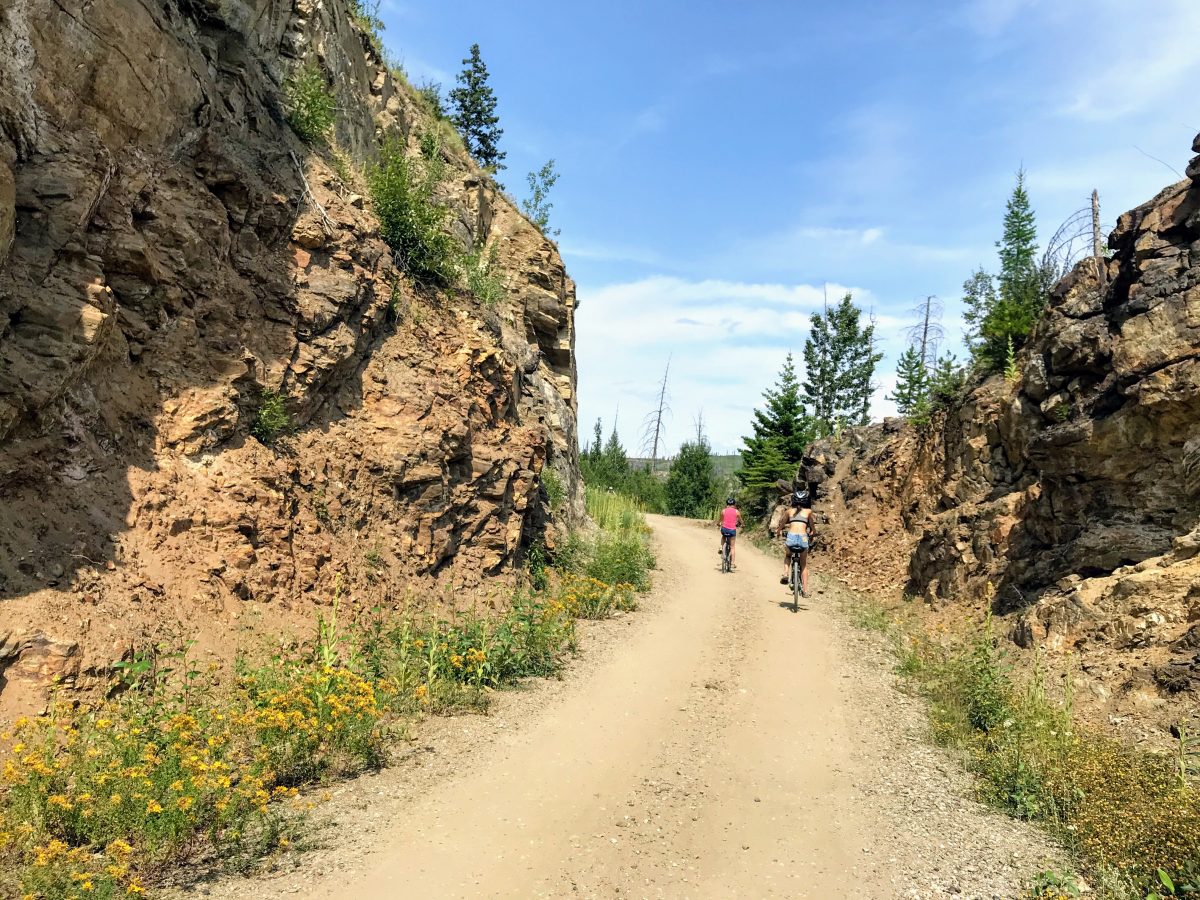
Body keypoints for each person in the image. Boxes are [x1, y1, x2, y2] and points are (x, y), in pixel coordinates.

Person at [777, 490, 815, 596]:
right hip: (803, 538)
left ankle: (785, 573)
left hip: (792, 538)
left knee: (788, 556)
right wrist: (813, 532)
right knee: (803, 564)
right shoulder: (808, 512)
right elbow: (811, 525)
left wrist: (778, 531)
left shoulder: (789, 511)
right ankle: (805, 590)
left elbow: (782, 523)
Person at [717, 496, 743, 569]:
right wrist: (742, 524)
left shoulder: (723, 511)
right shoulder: (737, 512)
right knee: (732, 547)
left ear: (727, 504)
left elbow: (720, 520)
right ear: (734, 504)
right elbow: (740, 520)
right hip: (732, 531)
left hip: (724, 529)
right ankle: (732, 563)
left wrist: (718, 523)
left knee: (723, 536)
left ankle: (722, 547)